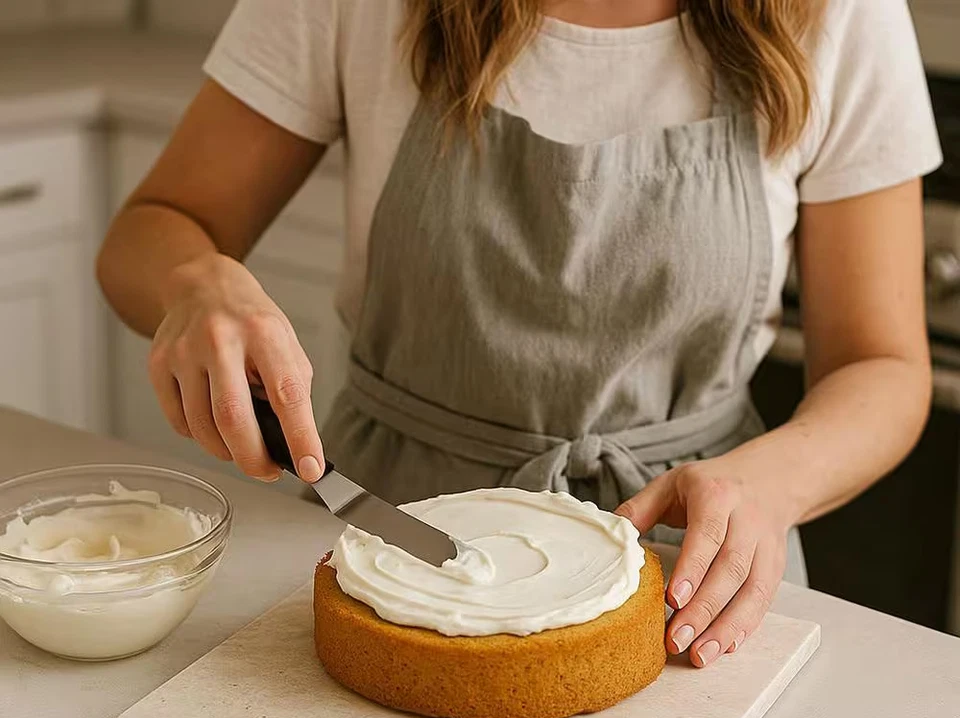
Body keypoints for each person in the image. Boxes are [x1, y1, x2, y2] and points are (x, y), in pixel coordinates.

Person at [97, 0, 942, 668]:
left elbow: (884, 366)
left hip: (695, 575)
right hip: (383, 538)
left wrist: (773, 484)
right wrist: (195, 283)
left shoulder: (841, 14)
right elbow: (152, 229)